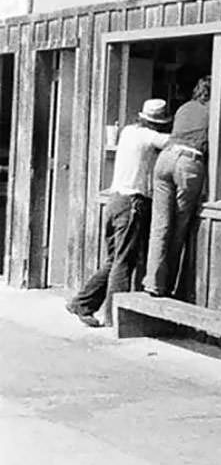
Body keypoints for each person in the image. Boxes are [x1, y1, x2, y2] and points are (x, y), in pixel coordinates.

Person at [65, 98, 172, 327]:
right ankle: (115, 318)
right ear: (158, 123)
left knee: (113, 259)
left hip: (115, 199)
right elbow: (173, 143)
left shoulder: (128, 132)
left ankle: (83, 303)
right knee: (123, 263)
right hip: (132, 202)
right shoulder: (149, 136)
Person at [144, 76, 211, 298]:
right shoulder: (214, 110)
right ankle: (168, 286)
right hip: (188, 162)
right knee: (179, 226)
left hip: (166, 158)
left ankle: (153, 283)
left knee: (160, 224)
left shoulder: (184, 107)